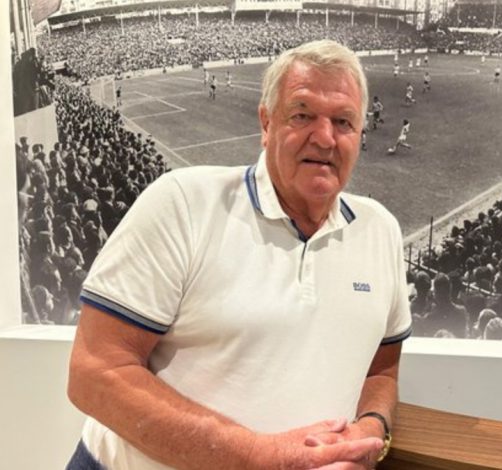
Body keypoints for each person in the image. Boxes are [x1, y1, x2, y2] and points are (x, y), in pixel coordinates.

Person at [67, 40, 413, 470]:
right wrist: (256, 457)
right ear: (266, 124)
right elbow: (95, 373)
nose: (324, 137)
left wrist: (372, 429)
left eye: (343, 121)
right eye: (302, 115)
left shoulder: (381, 231)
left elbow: (381, 372)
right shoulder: (183, 204)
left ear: (360, 134)